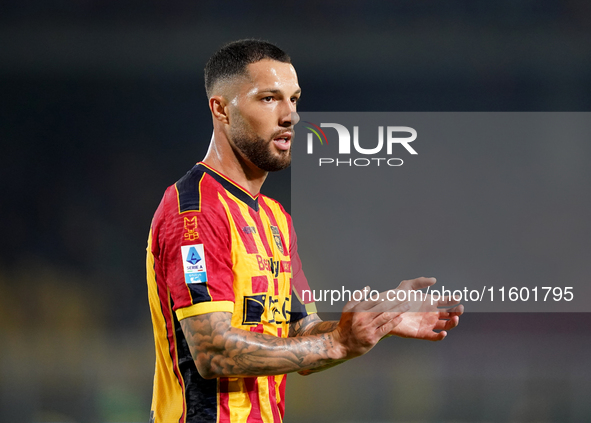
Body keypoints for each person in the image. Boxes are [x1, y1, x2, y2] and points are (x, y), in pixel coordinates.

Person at [146, 39, 463, 423]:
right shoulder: (194, 209)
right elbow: (213, 352)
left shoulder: (276, 218)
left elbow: (302, 333)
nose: (290, 116)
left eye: (294, 99)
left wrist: (377, 322)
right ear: (221, 109)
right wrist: (336, 343)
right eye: (268, 98)